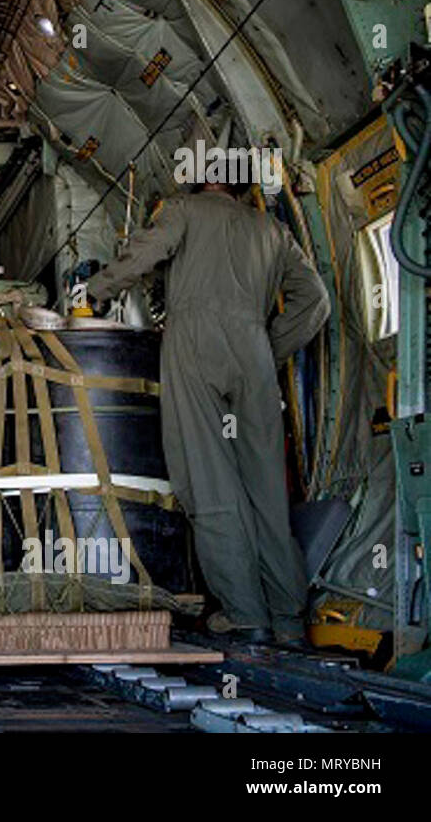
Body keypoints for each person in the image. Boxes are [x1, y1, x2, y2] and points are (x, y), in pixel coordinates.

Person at [84, 171, 330, 646]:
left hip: (194, 344)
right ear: (239, 187)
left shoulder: (182, 212)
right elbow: (315, 301)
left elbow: (143, 256)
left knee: (208, 481)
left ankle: (245, 615)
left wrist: (96, 291)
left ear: (198, 183)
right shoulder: (273, 231)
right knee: (264, 490)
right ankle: (288, 619)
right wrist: (267, 348)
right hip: (254, 352)